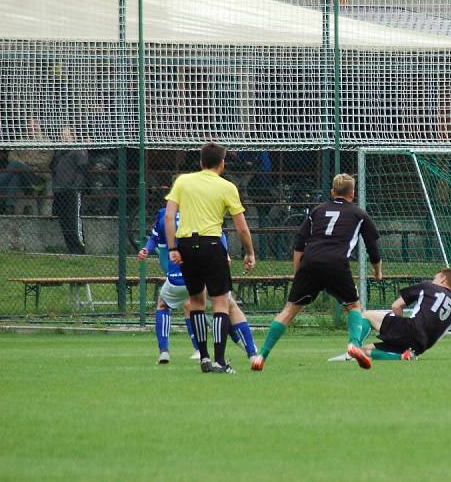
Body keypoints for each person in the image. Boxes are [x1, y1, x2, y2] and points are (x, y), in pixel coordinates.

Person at [251, 173, 382, 371]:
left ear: (332, 192)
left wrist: (298, 272)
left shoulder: (317, 211)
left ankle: (262, 355)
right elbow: (373, 247)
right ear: (352, 194)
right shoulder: (359, 214)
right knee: (354, 307)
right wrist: (377, 271)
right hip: (337, 264)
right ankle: (354, 345)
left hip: (310, 263)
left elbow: (299, 243)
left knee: (288, 312)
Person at [165, 142, 256, 374]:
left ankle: (204, 358)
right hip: (212, 244)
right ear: (222, 163)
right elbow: (242, 227)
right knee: (220, 302)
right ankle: (219, 360)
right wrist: (249, 252)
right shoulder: (227, 187)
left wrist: (172, 248)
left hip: (186, 246)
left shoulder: (183, 181)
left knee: (195, 301)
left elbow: (169, 216)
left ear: (200, 162)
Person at [139, 206, 258, 364]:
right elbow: (221, 233)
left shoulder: (166, 215)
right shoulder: (203, 210)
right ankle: (251, 352)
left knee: (175, 305)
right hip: (207, 271)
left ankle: (171, 351)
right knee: (225, 307)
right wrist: (228, 253)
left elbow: (157, 237)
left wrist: (148, 249)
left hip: (178, 276)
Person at [332, 268, 451, 361]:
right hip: (420, 346)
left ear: (442, 279)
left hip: (409, 330)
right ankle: (403, 356)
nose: (433, 279)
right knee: (367, 351)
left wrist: (396, 330)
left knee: (367, 314)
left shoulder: (429, 287)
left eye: (435, 277)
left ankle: (352, 347)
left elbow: (396, 305)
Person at [0, 117, 53, 213]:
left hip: (38, 178)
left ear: (39, 126)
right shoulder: (21, 140)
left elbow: (44, 162)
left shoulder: (47, 142)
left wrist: (22, 163)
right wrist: (22, 164)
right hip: (24, 177)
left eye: (35, 125)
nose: (33, 128)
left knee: (16, 165)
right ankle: (10, 207)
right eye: (31, 126)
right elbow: (11, 155)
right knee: (16, 174)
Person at [51, 127, 88, 254]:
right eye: (62, 135)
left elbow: (82, 170)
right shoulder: (59, 152)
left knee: (74, 219)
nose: (64, 137)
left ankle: (79, 247)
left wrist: (75, 186)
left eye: (67, 135)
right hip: (60, 190)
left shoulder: (78, 150)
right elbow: (54, 170)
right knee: (64, 220)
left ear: (72, 136)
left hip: (72, 191)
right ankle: (71, 247)